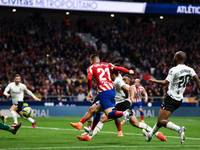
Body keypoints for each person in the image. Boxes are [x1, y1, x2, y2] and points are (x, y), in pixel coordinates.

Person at [77, 73, 166, 141]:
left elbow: (131, 89)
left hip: (123, 104)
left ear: (128, 81)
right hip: (120, 105)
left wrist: (130, 97)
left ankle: (89, 136)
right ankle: (157, 133)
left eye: (125, 79)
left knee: (103, 118)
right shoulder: (118, 81)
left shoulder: (123, 84)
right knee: (135, 123)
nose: (123, 80)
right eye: (122, 78)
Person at [144, 51, 200, 144]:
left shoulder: (174, 70)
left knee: (161, 120)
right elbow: (197, 81)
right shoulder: (190, 70)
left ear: (177, 58)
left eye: (174, 57)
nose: (173, 58)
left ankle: (179, 129)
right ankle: (150, 135)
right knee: (161, 121)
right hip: (179, 99)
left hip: (171, 98)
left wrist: (154, 80)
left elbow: (165, 83)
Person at [78, 54, 134, 140]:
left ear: (91, 61)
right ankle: (90, 133)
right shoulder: (107, 64)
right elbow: (118, 68)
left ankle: (124, 113)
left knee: (108, 114)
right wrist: (128, 71)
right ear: (99, 59)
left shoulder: (91, 67)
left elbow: (89, 79)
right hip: (111, 91)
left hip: (104, 92)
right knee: (97, 110)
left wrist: (89, 91)